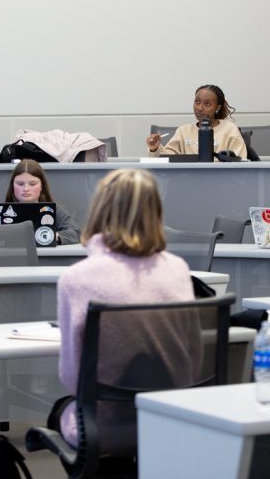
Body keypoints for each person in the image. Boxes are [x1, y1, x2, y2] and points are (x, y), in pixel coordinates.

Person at [55, 168, 197, 446]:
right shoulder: (178, 270)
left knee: (61, 411)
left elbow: (73, 380)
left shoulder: (77, 278)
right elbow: (191, 361)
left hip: (104, 423)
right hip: (171, 416)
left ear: (100, 210)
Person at [145, 84, 248, 159]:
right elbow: (167, 158)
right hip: (188, 180)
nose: (199, 108)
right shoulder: (183, 130)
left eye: (207, 104)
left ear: (217, 108)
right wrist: (155, 148)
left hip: (220, 181)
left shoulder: (229, 129)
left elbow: (239, 160)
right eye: (197, 102)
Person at [4, 159, 80, 245]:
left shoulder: (52, 210)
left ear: (41, 186)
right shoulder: (0, 212)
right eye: (20, 184)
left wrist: (52, 236)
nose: (26, 189)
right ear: (12, 186)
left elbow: (75, 234)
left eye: (32, 184)